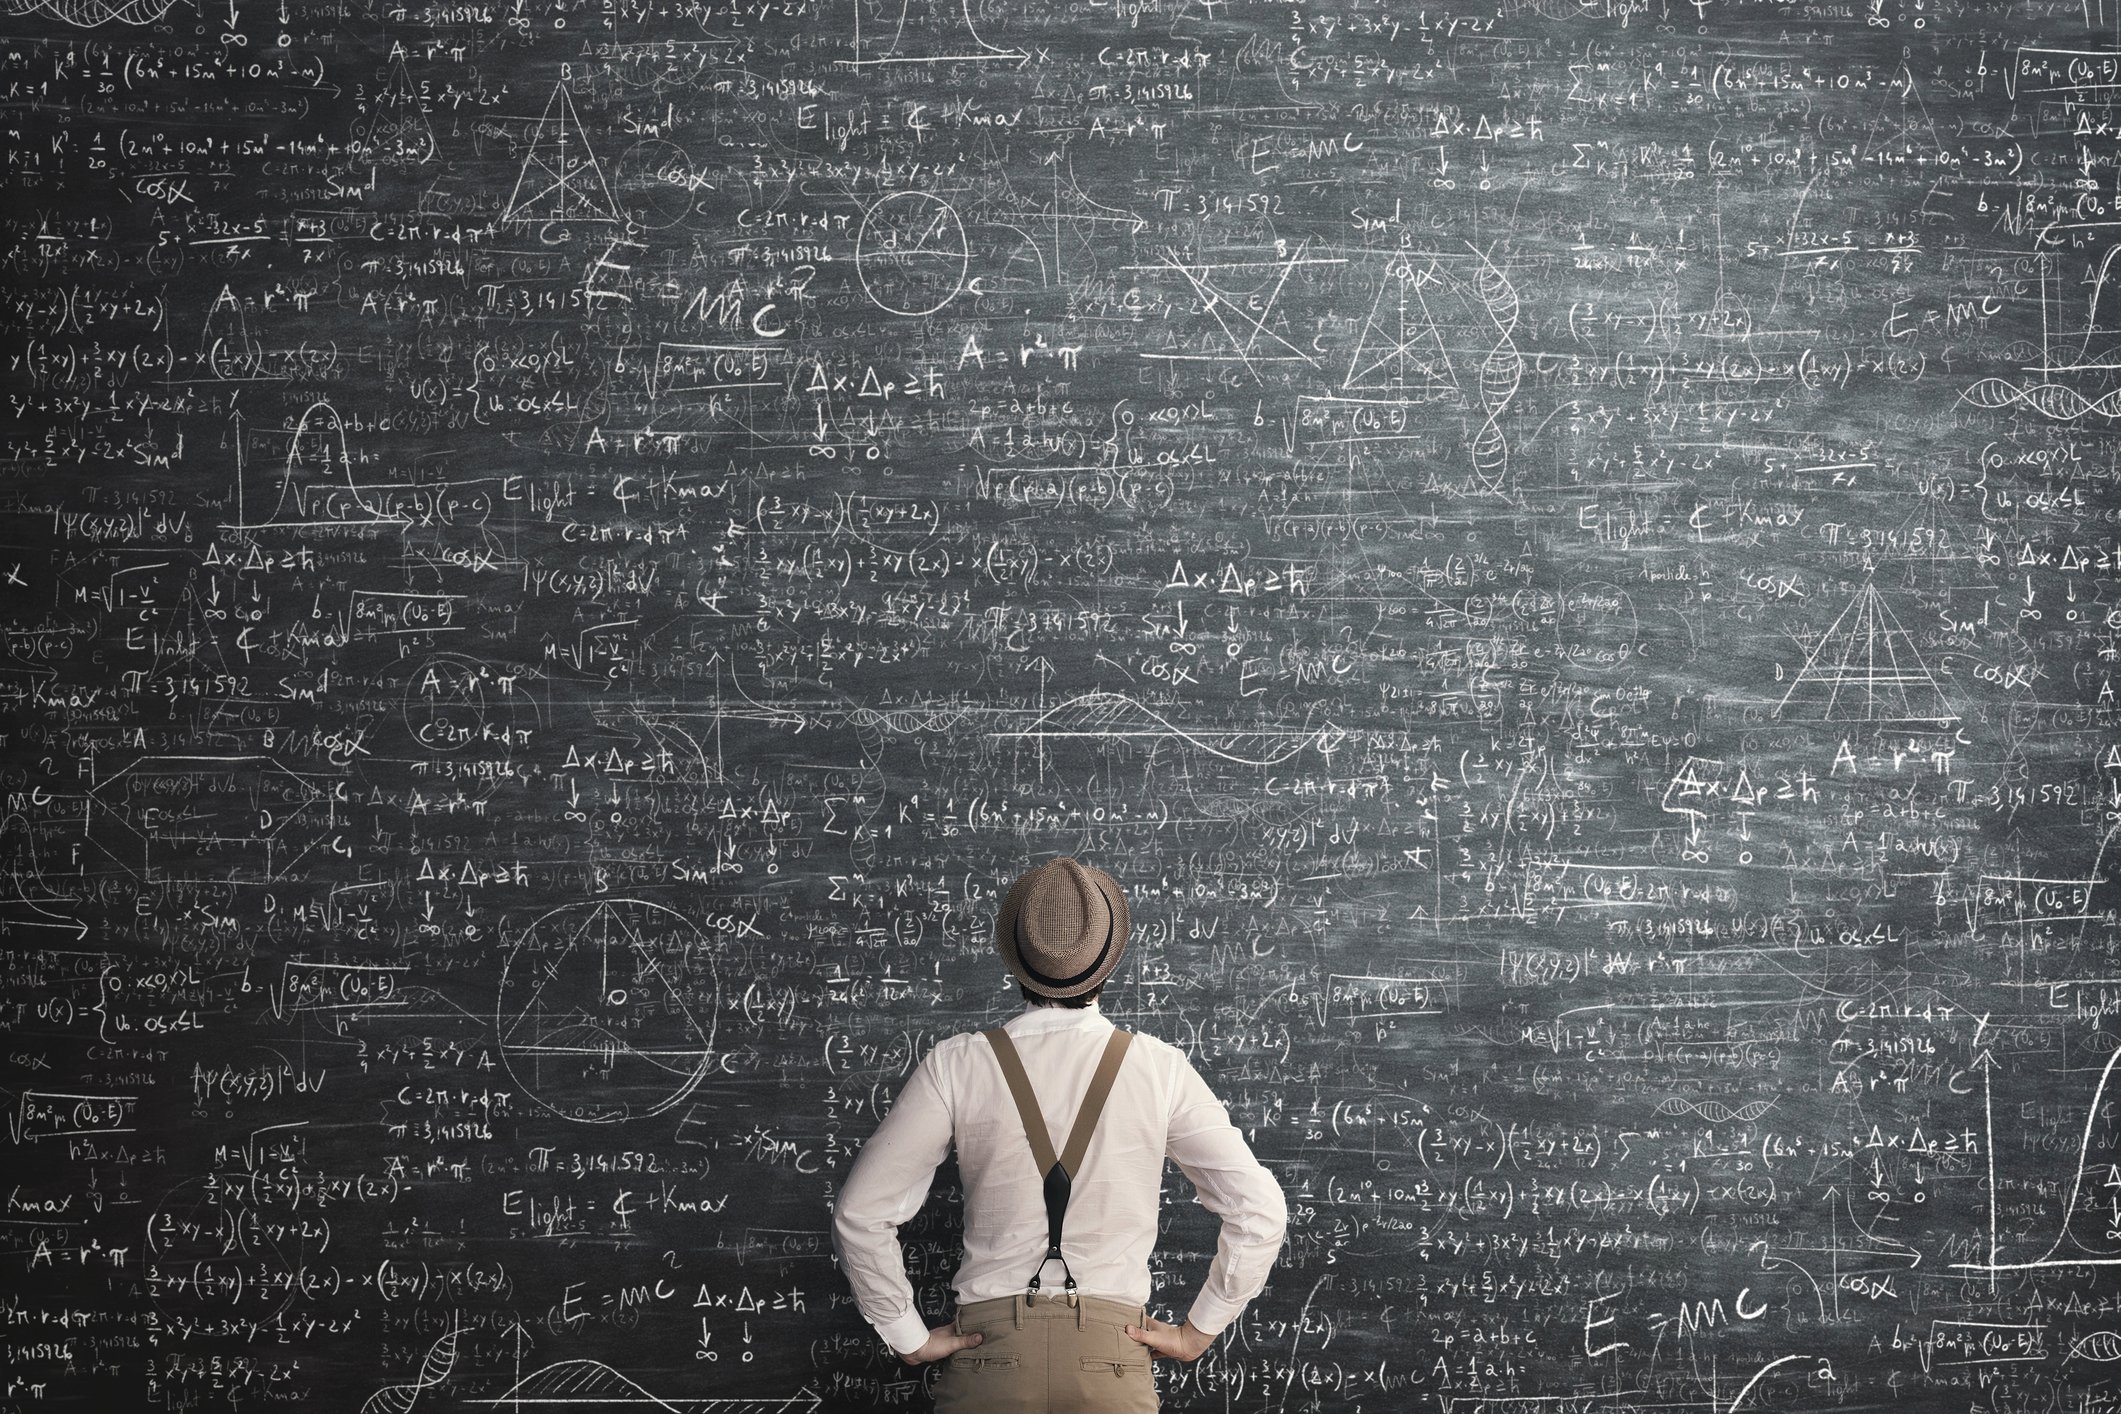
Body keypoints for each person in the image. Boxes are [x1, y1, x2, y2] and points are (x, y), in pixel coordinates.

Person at [830, 855, 1288, 1411]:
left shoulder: (957, 1065)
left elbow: (860, 1213)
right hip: (1112, 1358)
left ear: (1017, 962)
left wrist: (907, 1335)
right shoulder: (1159, 1068)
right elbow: (1259, 1210)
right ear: (1107, 962)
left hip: (989, 1359)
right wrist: (1198, 1331)